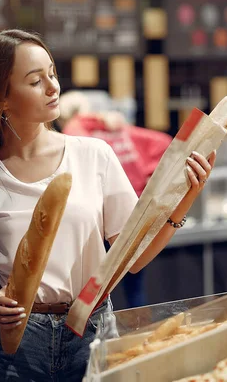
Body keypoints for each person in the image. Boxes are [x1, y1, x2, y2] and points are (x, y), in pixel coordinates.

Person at [0, 29, 216, 382]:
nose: (52, 86)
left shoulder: (93, 155)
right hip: (15, 342)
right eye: (35, 81)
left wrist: (185, 200)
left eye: (53, 73)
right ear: (1, 98)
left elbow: (132, 259)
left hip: (92, 328)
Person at [55, 90, 173, 308]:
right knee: (135, 287)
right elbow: (166, 145)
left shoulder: (76, 133)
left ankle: (90, 337)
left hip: (98, 224)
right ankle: (138, 334)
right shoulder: (122, 131)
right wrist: (149, 179)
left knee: (88, 292)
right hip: (133, 217)